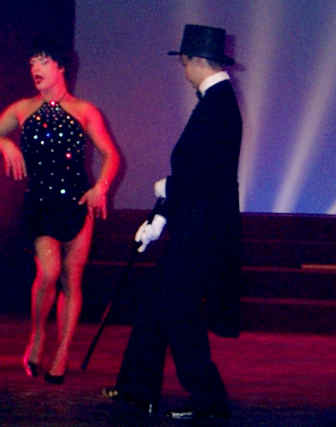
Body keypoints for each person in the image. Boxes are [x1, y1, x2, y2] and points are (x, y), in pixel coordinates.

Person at [102, 24, 242, 421]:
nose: (184, 72)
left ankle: (208, 399)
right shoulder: (215, 102)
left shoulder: (218, 105)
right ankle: (137, 388)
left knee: (178, 308)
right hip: (192, 223)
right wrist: (160, 218)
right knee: (157, 302)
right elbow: (195, 169)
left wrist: (169, 188)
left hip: (201, 229)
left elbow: (206, 174)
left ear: (197, 61)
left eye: (184, 63)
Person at [0, 39, 119, 384]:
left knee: (71, 279)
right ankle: (38, 335)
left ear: (61, 67)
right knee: (49, 272)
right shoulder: (23, 108)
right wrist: (6, 144)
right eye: (31, 63)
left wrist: (100, 187)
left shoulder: (85, 111)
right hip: (39, 203)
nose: (35, 69)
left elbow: (112, 155)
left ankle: (62, 352)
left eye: (42, 62)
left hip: (77, 203)